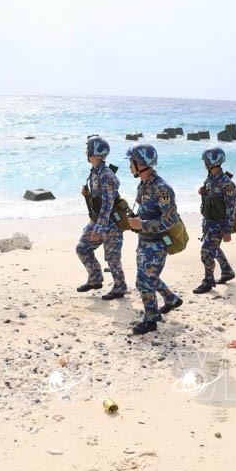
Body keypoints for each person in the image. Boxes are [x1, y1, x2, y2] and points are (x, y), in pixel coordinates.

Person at [125, 144, 183, 334]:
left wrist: (142, 224)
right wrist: (136, 220)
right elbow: (147, 211)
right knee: (149, 277)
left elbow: (170, 220)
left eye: (131, 162)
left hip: (157, 243)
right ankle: (171, 299)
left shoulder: (162, 188)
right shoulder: (143, 184)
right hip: (144, 241)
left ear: (140, 163)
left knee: (144, 281)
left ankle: (151, 320)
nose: (129, 166)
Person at [75, 136, 127, 300]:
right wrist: (87, 195)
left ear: (93, 153)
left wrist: (98, 229)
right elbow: (99, 201)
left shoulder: (106, 175)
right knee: (82, 248)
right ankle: (95, 278)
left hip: (110, 224)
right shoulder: (95, 172)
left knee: (112, 258)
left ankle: (120, 287)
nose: (86, 153)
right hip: (97, 221)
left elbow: (107, 205)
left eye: (88, 150)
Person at [193, 147, 236, 294]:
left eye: (205, 161)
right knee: (214, 249)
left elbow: (230, 208)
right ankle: (227, 271)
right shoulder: (209, 179)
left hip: (219, 224)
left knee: (206, 251)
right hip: (208, 222)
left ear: (211, 162)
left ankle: (208, 281)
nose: (204, 163)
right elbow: (211, 199)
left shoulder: (226, 183)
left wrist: (227, 231)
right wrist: (203, 193)